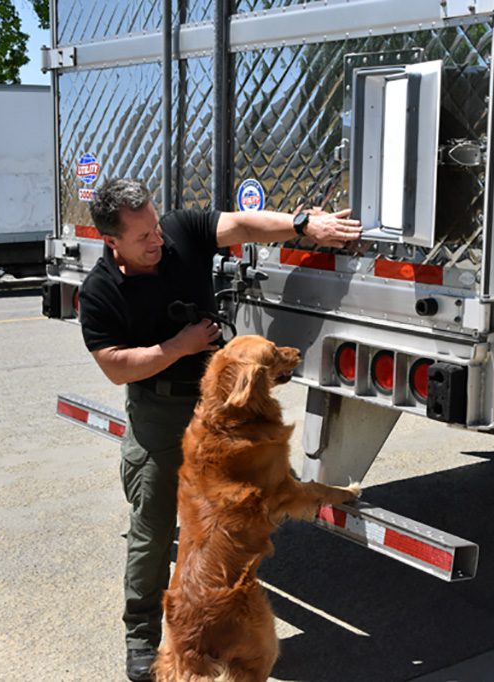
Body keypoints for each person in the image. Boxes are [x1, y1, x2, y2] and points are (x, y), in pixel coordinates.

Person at [78, 178, 361, 682]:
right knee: (154, 525)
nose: (156, 240)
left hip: (220, 409)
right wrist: (179, 347)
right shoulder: (101, 291)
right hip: (161, 411)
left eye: (155, 226)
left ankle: (219, 621)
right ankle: (141, 637)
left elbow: (242, 224)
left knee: (232, 516)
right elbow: (116, 366)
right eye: (142, 236)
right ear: (112, 242)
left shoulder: (178, 231)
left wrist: (301, 225)